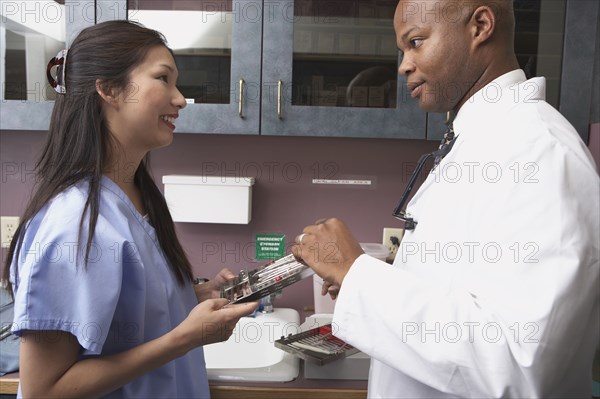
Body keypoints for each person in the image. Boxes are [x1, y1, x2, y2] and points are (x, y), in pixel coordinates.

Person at [293, 1, 599, 397]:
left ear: (481, 26)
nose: (403, 65)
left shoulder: (539, 152)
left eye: (416, 42)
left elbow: (519, 363)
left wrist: (358, 278)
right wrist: (374, 281)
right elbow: (467, 295)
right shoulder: (484, 141)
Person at [1, 20, 258, 398]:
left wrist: (190, 297)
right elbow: (44, 390)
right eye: (163, 79)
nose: (181, 98)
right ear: (108, 89)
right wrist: (184, 339)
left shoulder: (136, 198)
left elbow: (130, 315)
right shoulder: (74, 224)